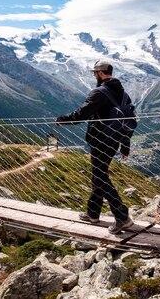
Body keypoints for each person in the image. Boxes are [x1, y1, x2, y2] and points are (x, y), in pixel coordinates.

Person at [56, 60, 134, 234]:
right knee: (99, 174)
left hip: (100, 141)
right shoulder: (124, 94)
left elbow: (81, 114)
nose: (94, 76)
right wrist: (125, 146)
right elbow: (127, 121)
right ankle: (93, 213)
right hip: (114, 141)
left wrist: (62, 119)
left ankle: (122, 216)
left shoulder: (99, 93)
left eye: (95, 73)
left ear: (99, 73)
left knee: (100, 177)